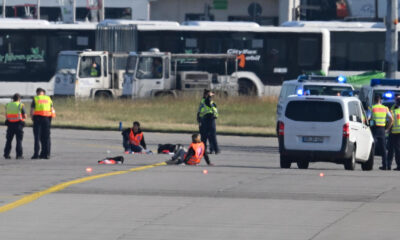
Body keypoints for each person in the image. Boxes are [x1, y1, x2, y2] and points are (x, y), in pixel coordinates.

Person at [368, 95, 393, 170]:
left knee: (372, 148)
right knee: (383, 148)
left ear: (374, 100)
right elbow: (391, 119)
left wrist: (369, 125)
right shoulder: (385, 108)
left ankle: (370, 165)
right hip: (382, 129)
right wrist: (387, 128)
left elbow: (368, 118)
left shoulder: (372, 108)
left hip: (374, 129)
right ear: (380, 100)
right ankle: (384, 165)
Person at [30, 88, 54, 159]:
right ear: (44, 93)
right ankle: (46, 154)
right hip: (47, 119)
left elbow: (32, 110)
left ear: (37, 92)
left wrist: (32, 118)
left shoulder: (36, 98)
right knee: (46, 137)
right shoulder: (48, 98)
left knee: (37, 137)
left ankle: (36, 154)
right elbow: (52, 109)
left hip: (37, 119)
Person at [3, 93, 26, 159]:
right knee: (19, 140)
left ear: (13, 99)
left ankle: (6, 154)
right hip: (18, 125)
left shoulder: (8, 105)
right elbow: (25, 116)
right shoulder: (20, 105)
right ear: (19, 99)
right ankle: (19, 155)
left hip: (10, 125)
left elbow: (7, 114)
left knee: (8, 140)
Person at [198, 89, 220, 154]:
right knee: (207, 136)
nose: (213, 94)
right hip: (207, 119)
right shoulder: (207, 100)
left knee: (209, 136)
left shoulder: (205, 101)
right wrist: (209, 95)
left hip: (208, 119)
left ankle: (213, 149)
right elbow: (207, 102)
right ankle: (209, 150)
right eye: (211, 93)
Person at [390, 97, 400, 171]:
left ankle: (399, 166)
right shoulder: (394, 109)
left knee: (397, 150)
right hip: (395, 133)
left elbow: (391, 121)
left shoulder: (394, 111)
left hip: (395, 133)